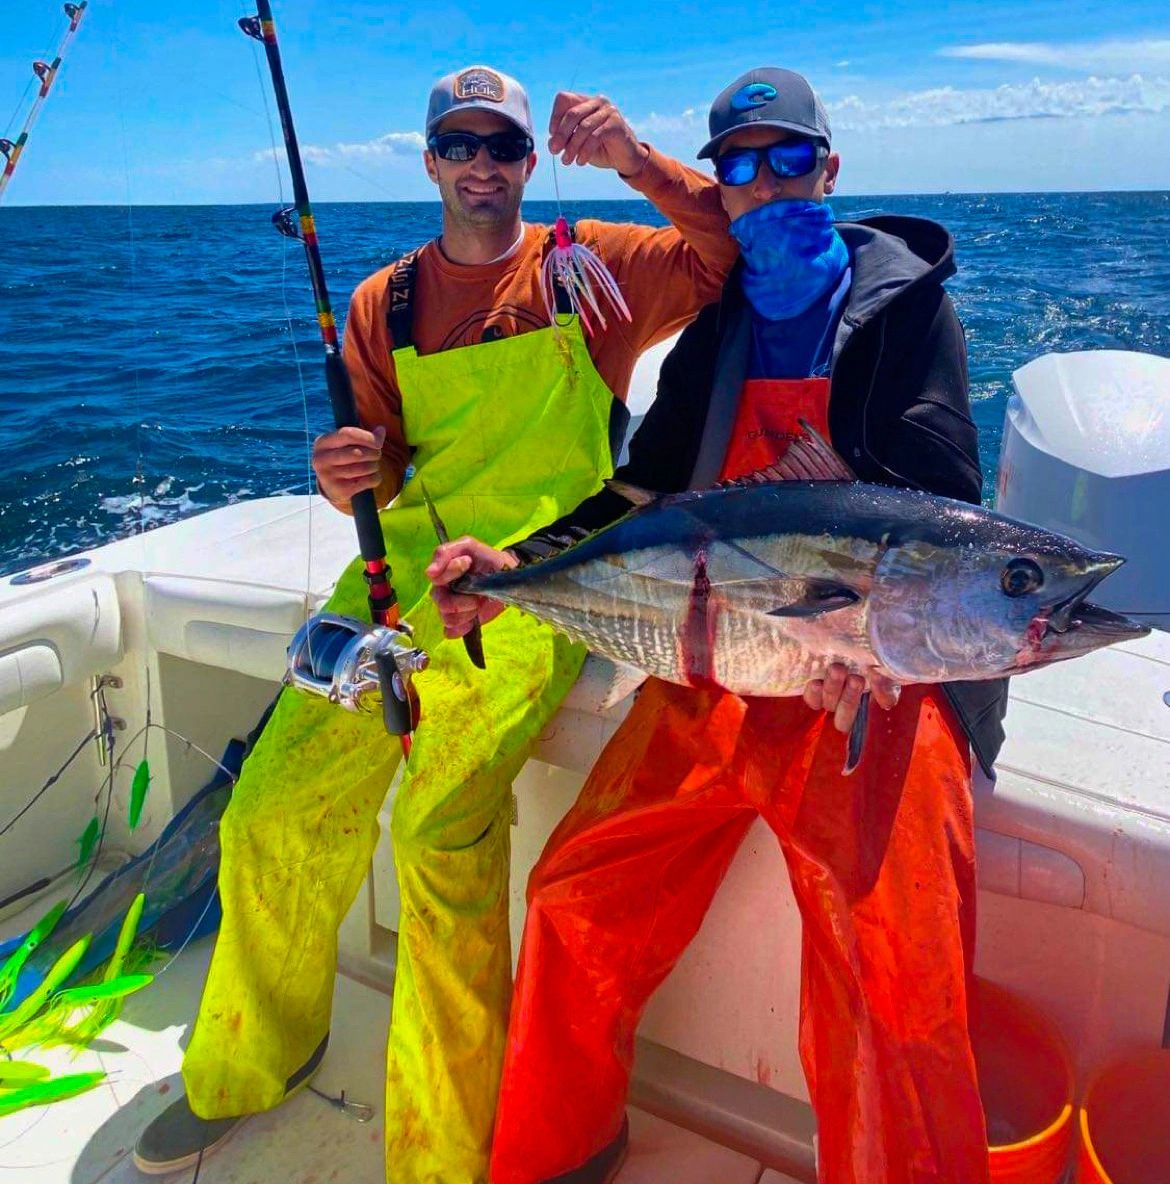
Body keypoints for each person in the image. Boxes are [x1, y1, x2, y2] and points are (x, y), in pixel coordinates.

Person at [133, 65, 737, 1184]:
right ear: (429, 164)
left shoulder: (589, 267)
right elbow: (382, 468)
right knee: (270, 804)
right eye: (459, 145)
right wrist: (339, 471)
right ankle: (251, 1055)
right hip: (400, 573)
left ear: (525, 161)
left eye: (502, 145)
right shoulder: (385, 301)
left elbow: (730, 250)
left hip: (544, 576)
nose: (481, 164)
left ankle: (441, 1151)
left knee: (440, 833)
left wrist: (636, 160)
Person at [430, 66, 1009, 1184]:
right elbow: (644, 491)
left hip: (866, 679)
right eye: (739, 165)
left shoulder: (909, 317)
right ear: (722, 185)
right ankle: (563, 1150)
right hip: (712, 666)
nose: (764, 181)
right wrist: (521, 565)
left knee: (900, 976)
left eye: (788, 157)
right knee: (569, 895)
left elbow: (947, 506)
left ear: (830, 169)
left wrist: (872, 646)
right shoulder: (716, 330)